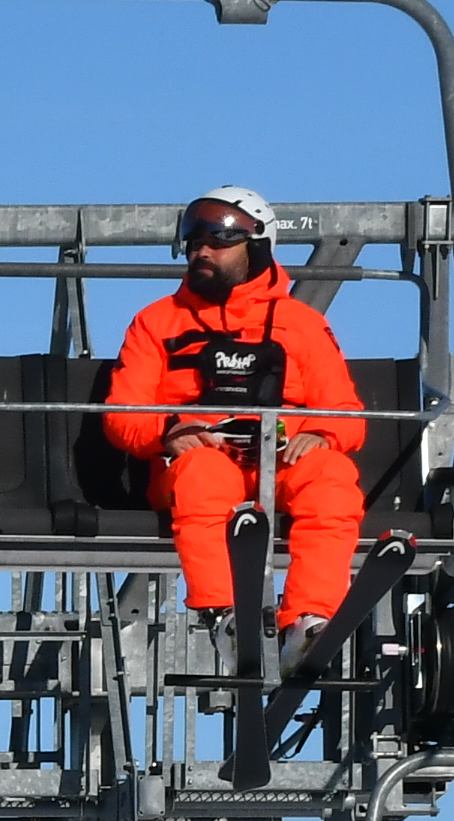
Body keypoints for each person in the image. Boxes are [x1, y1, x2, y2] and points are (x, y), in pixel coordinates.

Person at [103, 185, 366, 674]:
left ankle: (307, 621)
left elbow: (345, 412)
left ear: (257, 246)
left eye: (218, 242)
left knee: (331, 477)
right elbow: (122, 415)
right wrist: (170, 430)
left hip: (281, 461)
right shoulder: (157, 323)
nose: (202, 252)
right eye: (195, 242)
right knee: (203, 475)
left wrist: (322, 434)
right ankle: (227, 619)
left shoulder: (300, 324)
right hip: (196, 462)